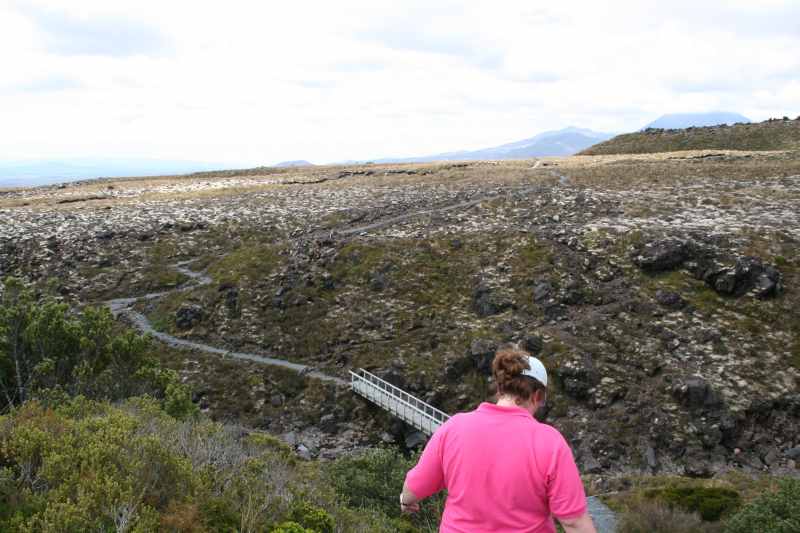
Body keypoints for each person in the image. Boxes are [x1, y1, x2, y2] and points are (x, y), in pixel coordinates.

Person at [400, 348, 596, 533]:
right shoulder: (550, 442)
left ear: (501, 389)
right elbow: (574, 522)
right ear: (537, 396)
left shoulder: (454, 427)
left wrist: (406, 500)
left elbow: (413, 488)